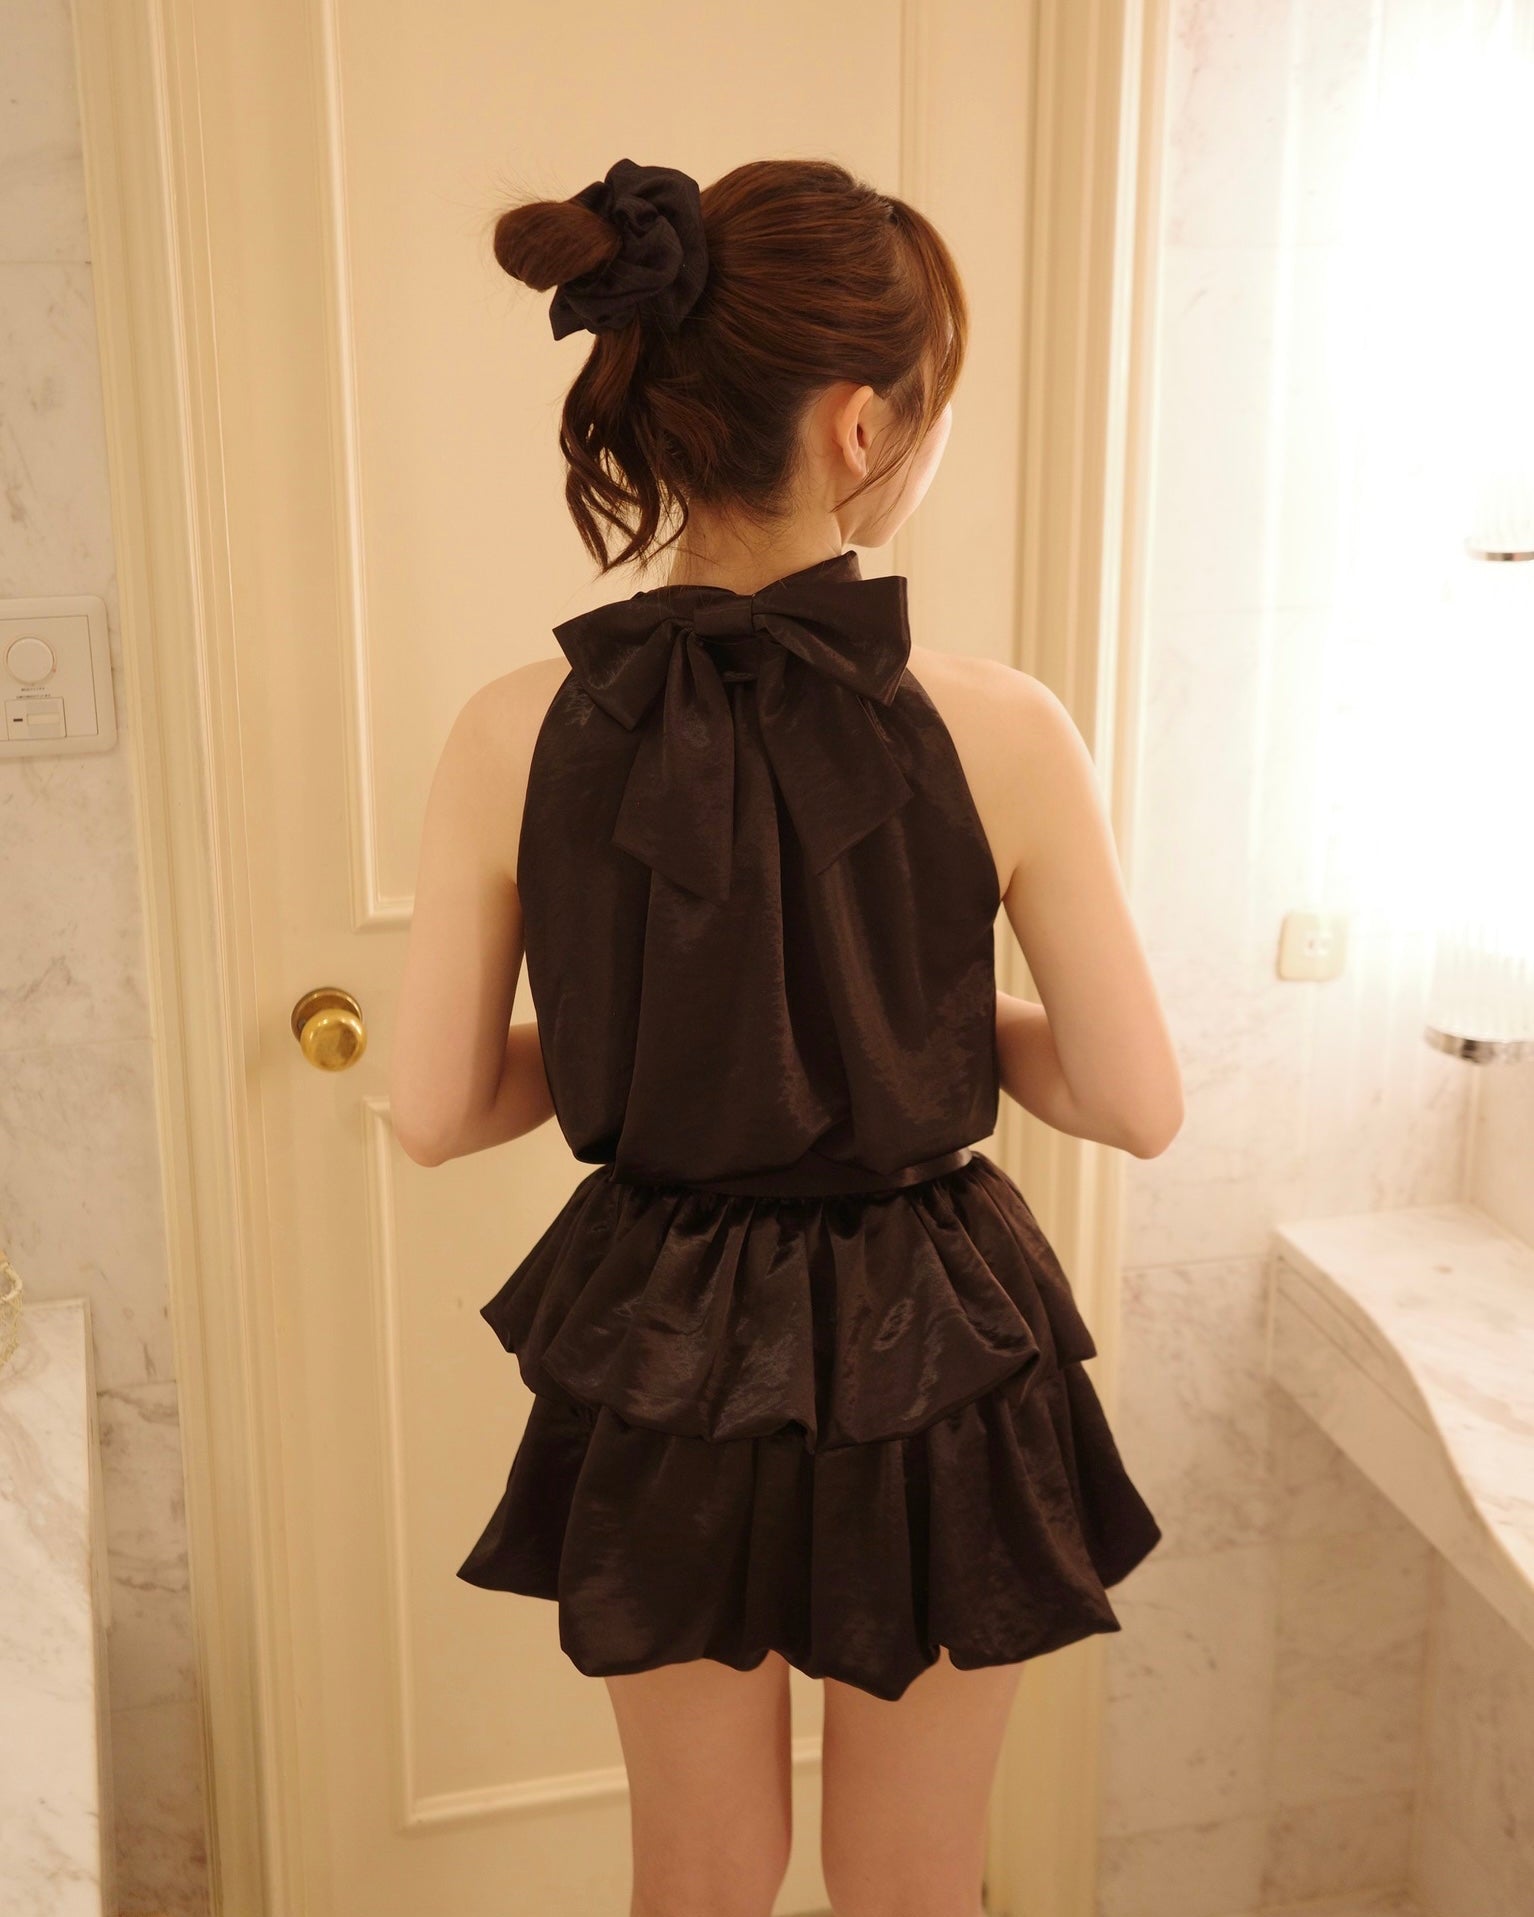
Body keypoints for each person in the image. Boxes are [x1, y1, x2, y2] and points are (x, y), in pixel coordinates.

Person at [390, 156, 1182, 1917]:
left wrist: (665, 1038)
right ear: (855, 423)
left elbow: (434, 1107)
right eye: (927, 402)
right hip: (934, 1340)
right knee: (912, 1876)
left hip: (666, 1344)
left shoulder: (511, 725)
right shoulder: (1003, 725)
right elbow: (1131, 1099)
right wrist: (897, 1022)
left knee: (694, 1870)